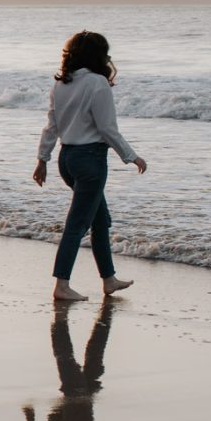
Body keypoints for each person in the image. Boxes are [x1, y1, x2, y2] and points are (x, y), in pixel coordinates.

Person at [32, 31, 147, 302]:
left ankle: (109, 279)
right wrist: (131, 156)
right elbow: (107, 129)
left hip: (67, 159)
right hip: (91, 160)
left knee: (100, 219)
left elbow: (52, 126)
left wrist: (42, 160)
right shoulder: (97, 83)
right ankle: (61, 284)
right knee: (77, 224)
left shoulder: (62, 84)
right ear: (99, 56)